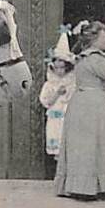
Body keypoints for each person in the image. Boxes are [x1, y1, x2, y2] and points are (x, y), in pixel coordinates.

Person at [54, 20, 105, 200]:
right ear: (95, 39)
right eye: (103, 36)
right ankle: (103, 187)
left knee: (83, 145)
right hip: (94, 103)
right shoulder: (96, 58)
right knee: (102, 143)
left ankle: (80, 186)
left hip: (79, 102)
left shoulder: (82, 57)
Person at [39, 31, 76, 159]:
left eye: (63, 68)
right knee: (56, 144)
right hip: (55, 119)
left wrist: (67, 94)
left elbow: (73, 98)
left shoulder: (71, 83)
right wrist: (56, 94)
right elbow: (45, 101)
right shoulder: (50, 85)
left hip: (68, 118)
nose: (60, 71)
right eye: (57, 68)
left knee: (68, 145)